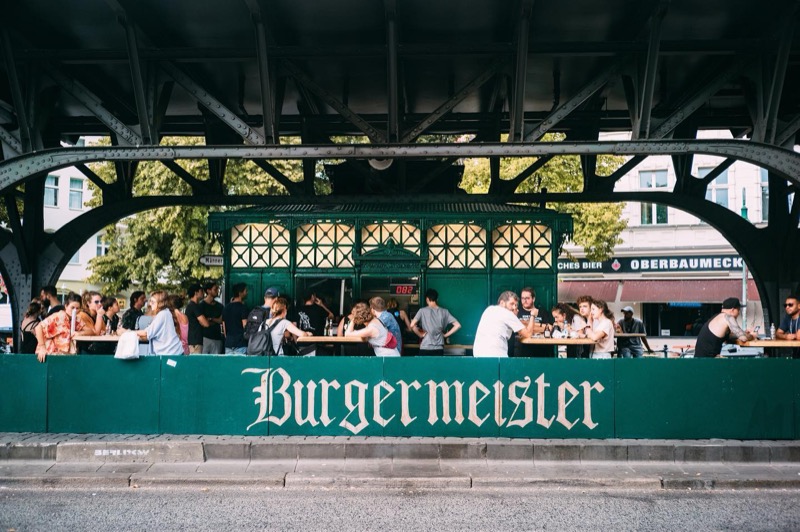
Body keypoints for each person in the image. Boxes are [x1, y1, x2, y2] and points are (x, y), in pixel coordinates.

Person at [473, 291, 537, 358]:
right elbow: (528, 334)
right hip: (495, 356)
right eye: (511, 304)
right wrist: (533, 315)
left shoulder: (489, 309)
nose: (514, 308)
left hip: (478, 355)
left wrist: (515, 318)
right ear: (502, 303)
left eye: (515, 305)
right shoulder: (507, 313)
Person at [33, 292, 84, 362]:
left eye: (77, 308)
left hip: (65, 358)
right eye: (72, 308)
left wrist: (80, 333)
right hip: (49, 356)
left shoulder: (76, 319)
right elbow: (38, 327)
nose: (74, 311)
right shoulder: (60, 316)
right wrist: (42, 347)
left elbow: (92, 331)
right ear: (66, 306)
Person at [409, 288, 461, 356]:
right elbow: (458, 325)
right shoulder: (444, 311)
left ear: (427, 299)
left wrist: (420, 335)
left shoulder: (422, 311)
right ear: (437, 299)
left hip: (425, 347)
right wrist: (445, 335)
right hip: (439, 348)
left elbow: (412, 325)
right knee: (438, 367)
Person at [136, 291, 184, 356]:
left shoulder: (162, 314)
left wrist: (129, 332)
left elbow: (147, 333)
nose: (150, 304)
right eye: (150, 301)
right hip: (172, 352)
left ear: (160, 303)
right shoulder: (165, 312)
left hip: (171, 353)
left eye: (152, 302)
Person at [513, 287, 554, 357]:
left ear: (533, 299)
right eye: (522, 298)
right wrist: (541, 327)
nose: (524, 300)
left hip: (541, 350)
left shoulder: (542, 312)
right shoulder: (517, 312)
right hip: (522, 350)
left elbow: (550, 328)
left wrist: (527, 326)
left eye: (527, 298)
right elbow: (517, 329)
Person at [222, 283, 249, 355]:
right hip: (240, 343)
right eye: (245, 291)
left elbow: (224, 330)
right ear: (240, 293)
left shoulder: (226, 308)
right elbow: (245, 325)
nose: (247, 293)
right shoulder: (243, 307)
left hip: (228, 343)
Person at [184, 283, 210, 354]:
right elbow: (206, 323)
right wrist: (207, 320)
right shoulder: (194, 306)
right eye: (201, 291)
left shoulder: (190, 306)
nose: (203, 293)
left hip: (192, 340)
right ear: (196, 293)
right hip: (195, 342)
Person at [200, 281, 224, 354]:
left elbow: (221, 320)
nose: (217, 291)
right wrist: (214, 320)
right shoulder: (201, 305)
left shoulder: (220, 306)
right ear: (208, 290)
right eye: (215, 289)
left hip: (217, 337)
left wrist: (210, 319)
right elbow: (202, 322)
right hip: (205, 337)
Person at [775, 294, 800, 358]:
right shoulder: (787, 317)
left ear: (799, 306)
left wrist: (793, 336)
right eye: (785, 305)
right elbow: (777, 333)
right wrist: (786, 336)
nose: (787, 307)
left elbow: (799, 336)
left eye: (790, 305)